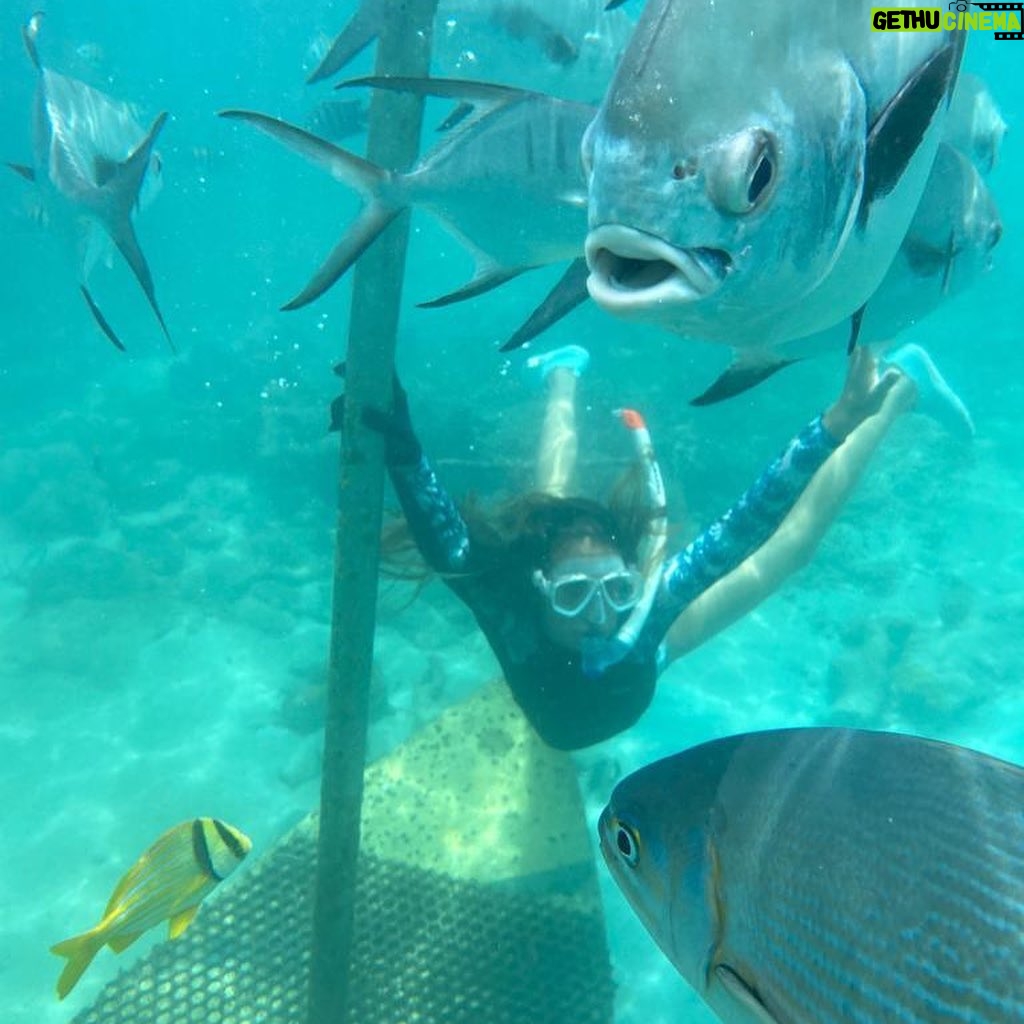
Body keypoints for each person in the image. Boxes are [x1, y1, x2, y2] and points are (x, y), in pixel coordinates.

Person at [338, 343, 971, 751]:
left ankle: (897, 390)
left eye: (615, 589)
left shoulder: (647, 611)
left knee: (791, 548)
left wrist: (832, 424)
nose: (600, 615)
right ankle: (563, 373)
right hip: (608, 661)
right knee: (548, 497)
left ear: (634, 579)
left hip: (654, 659)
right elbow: (446, 542)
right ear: (540, 590)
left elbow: (749, 523)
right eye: (574, 595)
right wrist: (402, 444)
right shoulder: (509, 606)